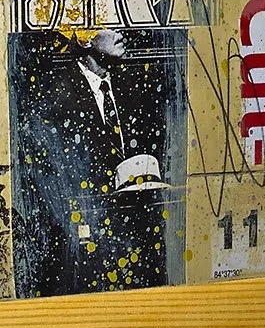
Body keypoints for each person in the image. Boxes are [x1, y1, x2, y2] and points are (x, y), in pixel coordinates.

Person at [10, 27, 177, 297]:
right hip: (83, 254)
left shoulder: (135, 85)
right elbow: (51, 186)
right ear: (84, 37)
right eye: (109, 24)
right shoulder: (54, 95)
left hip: (136, 245)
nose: (121, 30)